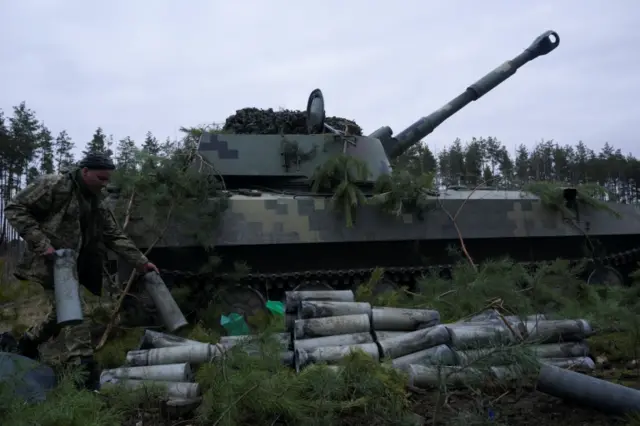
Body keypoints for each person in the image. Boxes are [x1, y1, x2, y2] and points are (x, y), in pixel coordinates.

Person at [3, 152, 159, 388]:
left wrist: (140, 261)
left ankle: (27, 343)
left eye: (108, 179)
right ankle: (82, 369)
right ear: (85, 171)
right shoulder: (55, 184)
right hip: (52, 261)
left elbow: (113, 234)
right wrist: (42, 243)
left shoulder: (96, 199)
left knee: (61, 312)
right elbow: (14, 208)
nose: (105, 184)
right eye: (101, 178)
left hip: (74, 262)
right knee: (76, 311)